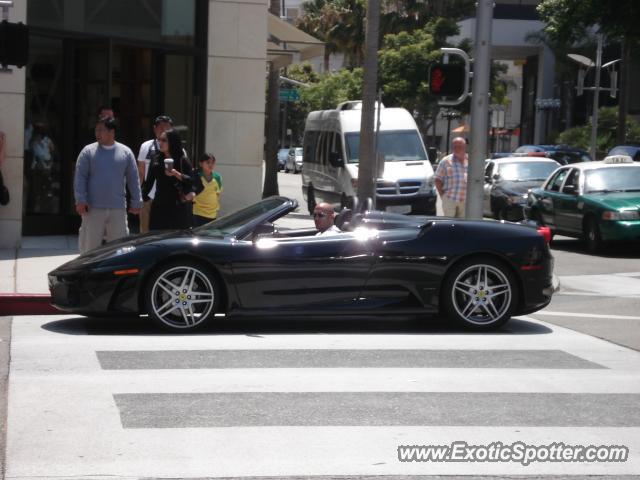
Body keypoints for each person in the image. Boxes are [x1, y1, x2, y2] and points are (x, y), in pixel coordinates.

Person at [74, 117, 141, 254]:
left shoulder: (126, 152)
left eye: (101, 130)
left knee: (119, 250)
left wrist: (136, 200)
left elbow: (133, 179)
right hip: (92, 209)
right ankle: (87, 275)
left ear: (112, 132)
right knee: (89, 249)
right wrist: (80, 199)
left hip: (117, 208)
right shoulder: (88, 152)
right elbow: (80, 177)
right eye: (96, 130)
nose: (97, 133)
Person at [143, 128, 195, 230]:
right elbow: (148, 183)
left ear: (172, 142)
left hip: (177, 207)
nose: (160, 143)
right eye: (159, 140)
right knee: (157, 239)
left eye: (164, 140)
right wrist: (141, 200)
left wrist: (176, 174)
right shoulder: (156, 159)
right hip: (159, 207)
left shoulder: (182, 160)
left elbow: (191, 181)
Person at [137, 115, 174, 233]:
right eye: (161, 127)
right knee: (145, 231)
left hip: (168, 198)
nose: (163, 130)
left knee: (166, 231)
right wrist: (138, 195)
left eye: (167, 128)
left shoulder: (178, 149)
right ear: (154, 129)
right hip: (148, 196)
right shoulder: (146, 146)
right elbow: (141, 172)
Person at [435, 136, 468, 218]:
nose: (457, 149)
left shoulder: (471, 161)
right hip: (450, 199)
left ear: (464, 148)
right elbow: (437, 179)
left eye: (459, 147)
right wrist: (443, 196)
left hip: (465, 201)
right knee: (449, 225)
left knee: (463, 226)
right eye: (454, 147)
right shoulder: (446, 161)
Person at [192, 153, 223, 226]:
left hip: (212, 214)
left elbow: (217, 194)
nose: (211, 165)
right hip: (198, 213)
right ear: (200, 164)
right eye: (208, 162)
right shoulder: (196, 176)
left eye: (213, 163)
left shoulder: (217, 177)